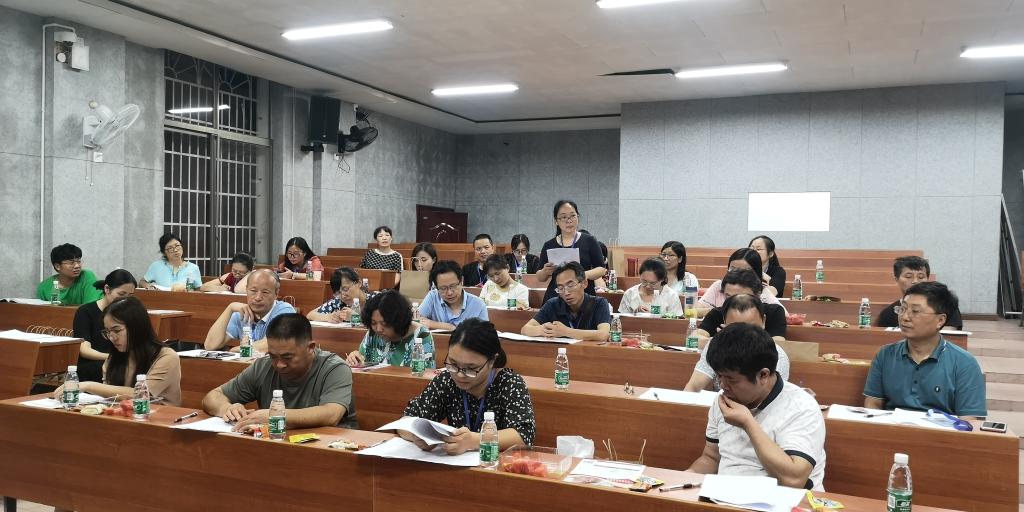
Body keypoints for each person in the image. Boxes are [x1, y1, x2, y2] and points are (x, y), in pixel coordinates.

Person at [687, 323, 826, 491]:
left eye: (732, 380)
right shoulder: (724, 399)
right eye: (719, 376)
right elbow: (711, 458)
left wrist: (748, 423)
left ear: (763, 375)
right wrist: (687, 477)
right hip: (727, 496)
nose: (723, 385)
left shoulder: (802, 407)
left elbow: (793, 480)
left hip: (784, 499)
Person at [400, 319, 535, 455]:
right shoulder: (447, 380)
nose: (459, 374)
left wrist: (476, 440)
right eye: (453, 364)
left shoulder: (509, 383)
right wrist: (418, 436)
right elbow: (406, 420)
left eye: (471, 368)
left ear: (492, 361)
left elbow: (523, 435)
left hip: (497, 463)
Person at [202, 314, 357, 431]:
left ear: (310, 348)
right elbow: (212, 397)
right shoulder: (263, 366)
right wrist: (227, 409)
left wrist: (275, 416)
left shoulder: (335, 368)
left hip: (330, 447)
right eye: (273, 356)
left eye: (287, 357)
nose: (279, 364)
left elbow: (331, 414)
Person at [864, 282, 985, 419]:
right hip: (892, 429)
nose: (904, 317)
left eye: (915, 311)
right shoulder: (885, 354)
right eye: (902, 309)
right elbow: (872, 403)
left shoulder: (964, 363)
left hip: (941, 431)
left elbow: (969, 419)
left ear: (940, 320)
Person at [54, 296, 181, 406]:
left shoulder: (166, 356)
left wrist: (87, 385)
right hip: (123, 417)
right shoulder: (115, 356)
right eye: (107, 332)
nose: (112, 337)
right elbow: (109, 395)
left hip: (159, 419)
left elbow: (141, 395)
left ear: (137, 327)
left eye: (117, 330)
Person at [684, 294, 791, 392]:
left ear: (763, 321)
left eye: (751, 328)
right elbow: (693, 387)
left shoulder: (777, 356)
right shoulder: (716, 346)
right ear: (725, 322)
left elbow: (770, 401)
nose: (744, 336)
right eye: (736, 328)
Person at [204, 269, 296, 352]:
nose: (258, 297)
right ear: (246, 290)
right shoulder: (241, 312)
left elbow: (276, 342)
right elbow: (210, 345)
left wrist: (238, 349)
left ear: (276, 294)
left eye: (265, 292)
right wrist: (230, 308)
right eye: (253, 291)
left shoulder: (285, 310)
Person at [72, 269, 138, 383]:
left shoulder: (129, 312)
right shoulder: (85, 312)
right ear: (107, 289)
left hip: (121, 361)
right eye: (121, 294)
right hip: (94, 362)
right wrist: (111, 357)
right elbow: (84, 350)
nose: (125, 300)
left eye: (130, 295)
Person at [536, 200, 608, 303]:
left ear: (578, 217)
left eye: (572, 216)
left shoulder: (589, 241)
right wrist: (545, 271)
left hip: (583, 295)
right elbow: (540, 277)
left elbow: (601, 269)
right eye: (564, 217)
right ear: (556, 221)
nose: (569, 221)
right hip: (556, 297)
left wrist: (583, 274)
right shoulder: (549, 245)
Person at [521, 262, 611, 342]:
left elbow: (603, 334)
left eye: (570, 285)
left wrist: (566, 332)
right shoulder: (552, 304)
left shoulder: (599, 303)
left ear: (584, 283)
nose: (566, 292)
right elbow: (525, 329)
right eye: (560, 288)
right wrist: (543, 330)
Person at [344, 290, 436, 368]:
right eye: (373, 323)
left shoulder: (422, 335)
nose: (378, 329)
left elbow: (424, 375)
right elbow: (362, 360)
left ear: (398, 320)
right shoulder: (373, 332)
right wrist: (355, 359)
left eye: (384, 324)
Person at [693, 270, 788, 343]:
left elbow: (779, 343)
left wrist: (734, 337)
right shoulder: (718, 312)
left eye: (741, 297)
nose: (733, 301)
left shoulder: (774, 311)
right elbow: (695, 338)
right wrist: (722, 339)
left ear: (758, 294)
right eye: (728, 296)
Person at [876, 256, 963, 330]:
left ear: (927, 279)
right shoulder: (888, 313)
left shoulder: (944, 305)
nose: (915, 281)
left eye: (921, 277)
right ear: (896, 279)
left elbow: (950, 336)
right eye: (908, 276)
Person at [697, 248, 784, 316]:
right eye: (733, 269)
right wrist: (718, 312)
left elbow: (783, 314)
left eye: (744, 270)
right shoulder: (718, 286)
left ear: (755, 272)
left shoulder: (761, 291)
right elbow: (695, 310)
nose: (737, 273)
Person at [418, 261, 489, 330]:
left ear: (461, 281)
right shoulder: (433, 297)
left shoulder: (478, 304)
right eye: (443, 288)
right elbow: (416, 320)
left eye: (453, 286)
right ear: (436, 287)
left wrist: (452, 328)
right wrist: (448, 327)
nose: (449, 293)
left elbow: (485, 334)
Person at [307, 267, 379, 323]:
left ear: (359, 283)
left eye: (345, 289)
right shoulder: (338, 302)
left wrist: (356, 318)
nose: (343, 295)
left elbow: (383, 322)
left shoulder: (377, 299)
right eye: (338, 293)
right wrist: (329, 317)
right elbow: (310, 315)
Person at [36, 243, 102, 305]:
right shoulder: (44, 287)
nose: (77, 266)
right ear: (57, 266)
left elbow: (91, 308)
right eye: (71, 262)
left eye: (79, 261)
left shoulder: (87, 276)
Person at [618, 258, 684, 315]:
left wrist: (654, 317)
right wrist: (635, 313)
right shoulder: (630, 293)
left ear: (662, 279)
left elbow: (676, 321)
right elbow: (622, 319)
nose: (648, 286)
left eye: (653, 283)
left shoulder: (671, 296)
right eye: (644, 281)